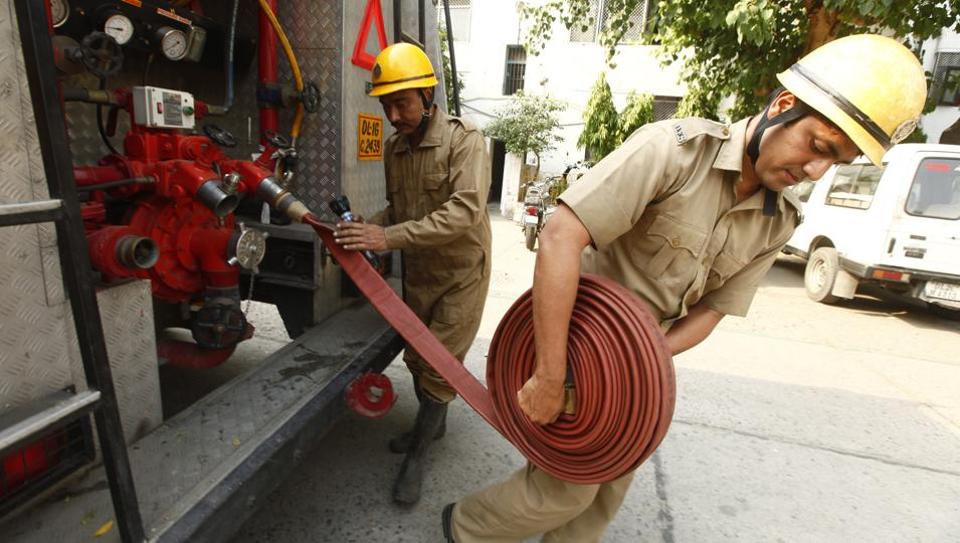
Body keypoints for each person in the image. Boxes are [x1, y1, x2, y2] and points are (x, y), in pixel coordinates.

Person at [441, 34, 927, 542]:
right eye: (818, 147)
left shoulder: (776, 221)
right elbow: (562, 235)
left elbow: (713, 311)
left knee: (607, 488)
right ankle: (464, 529)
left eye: (835, 162)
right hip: (572, 346)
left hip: (634, 368)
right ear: (783, 106)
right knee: (566, 489)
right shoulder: (672, 151)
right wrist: (548, 374)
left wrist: (636, 368)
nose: (815, 170)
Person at [333, 42, 492, 506]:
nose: (393, 115)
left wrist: (388, 238)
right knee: (419, 361)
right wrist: (370, 227)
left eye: (401, 102)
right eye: (386, 105)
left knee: (440, 366)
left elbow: (463, 213)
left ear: (427, 94)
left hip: (463, 273)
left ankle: (417, 457)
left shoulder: (466, 141)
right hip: (421, 272)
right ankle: (434, 425)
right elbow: (400, 209)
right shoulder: (394, 148)